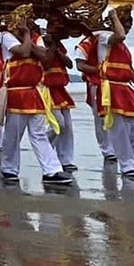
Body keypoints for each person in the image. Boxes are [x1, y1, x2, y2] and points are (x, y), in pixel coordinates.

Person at [0, 9, 74, 186]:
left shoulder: (35, 36)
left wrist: (30, 40)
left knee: (38, 133)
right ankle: (9, 168)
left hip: (34, 91)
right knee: (13, 134)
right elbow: (24, 52)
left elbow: (46, 59)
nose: (32, 21)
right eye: (28, 18)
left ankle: (52, 170)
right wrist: (27, 38)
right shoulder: (6, 36)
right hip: (16, 91)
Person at [99, 8, 134, 179]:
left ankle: (127, 155)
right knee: (119, 130)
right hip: (110, 88)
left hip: (125, 88)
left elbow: (129, 70)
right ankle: (127, 165)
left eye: (129, 25)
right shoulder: (103, 37)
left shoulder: (123, 47)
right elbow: (119, 35)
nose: (127, 28)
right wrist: (114, 15)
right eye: (125, 24)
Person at [40, 26, 79, 172]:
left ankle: (66, 159)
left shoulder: (58, 47)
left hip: (61, 89)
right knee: (59, 124)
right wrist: (52, 46)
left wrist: (56, 47)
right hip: (47, 89)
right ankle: (44, 146)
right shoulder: (40, 46)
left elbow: (69, 64)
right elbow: (47, 63)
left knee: (67, 127)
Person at [75, 30, 110, 161]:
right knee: (101, 117)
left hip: (114, 82)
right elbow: (80, 65)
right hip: (97, 82)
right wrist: (101, 70)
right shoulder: (93, 39)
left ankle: (126, 146)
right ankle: (107, 149)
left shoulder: (111, 38)